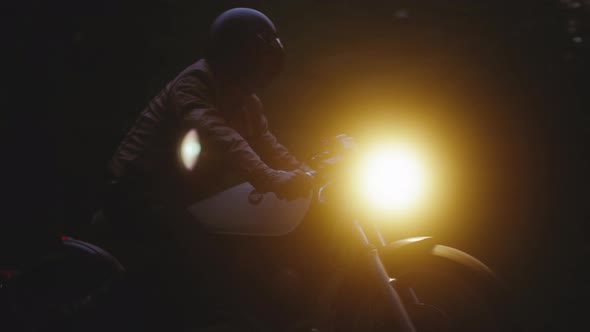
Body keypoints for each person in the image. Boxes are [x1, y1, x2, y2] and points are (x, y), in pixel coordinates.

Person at [101, 7, 314, 330]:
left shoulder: (246, 100)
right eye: (257, 54)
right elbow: (221, 136)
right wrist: (268, 178)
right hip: (136, 193)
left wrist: (307, 174)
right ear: (237, 53)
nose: (263, 64)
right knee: (208, 267)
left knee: (240, 253)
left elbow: (268, 145)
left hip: (180, 196)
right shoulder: (195, 82)